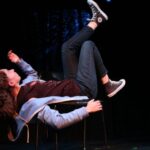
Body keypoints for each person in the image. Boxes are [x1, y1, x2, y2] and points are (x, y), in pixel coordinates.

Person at [0, 0, 125, 141]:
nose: (11, 69)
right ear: (10, 83)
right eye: (8, 71)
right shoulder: (29, 103)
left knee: (66, 48)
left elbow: (32, 74)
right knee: (88, 45)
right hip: (82, 90)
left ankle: (97, 19)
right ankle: (107, 85)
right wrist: (85, 110)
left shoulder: (24, 87)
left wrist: (18, 61)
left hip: (70, 83)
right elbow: (57, 122)